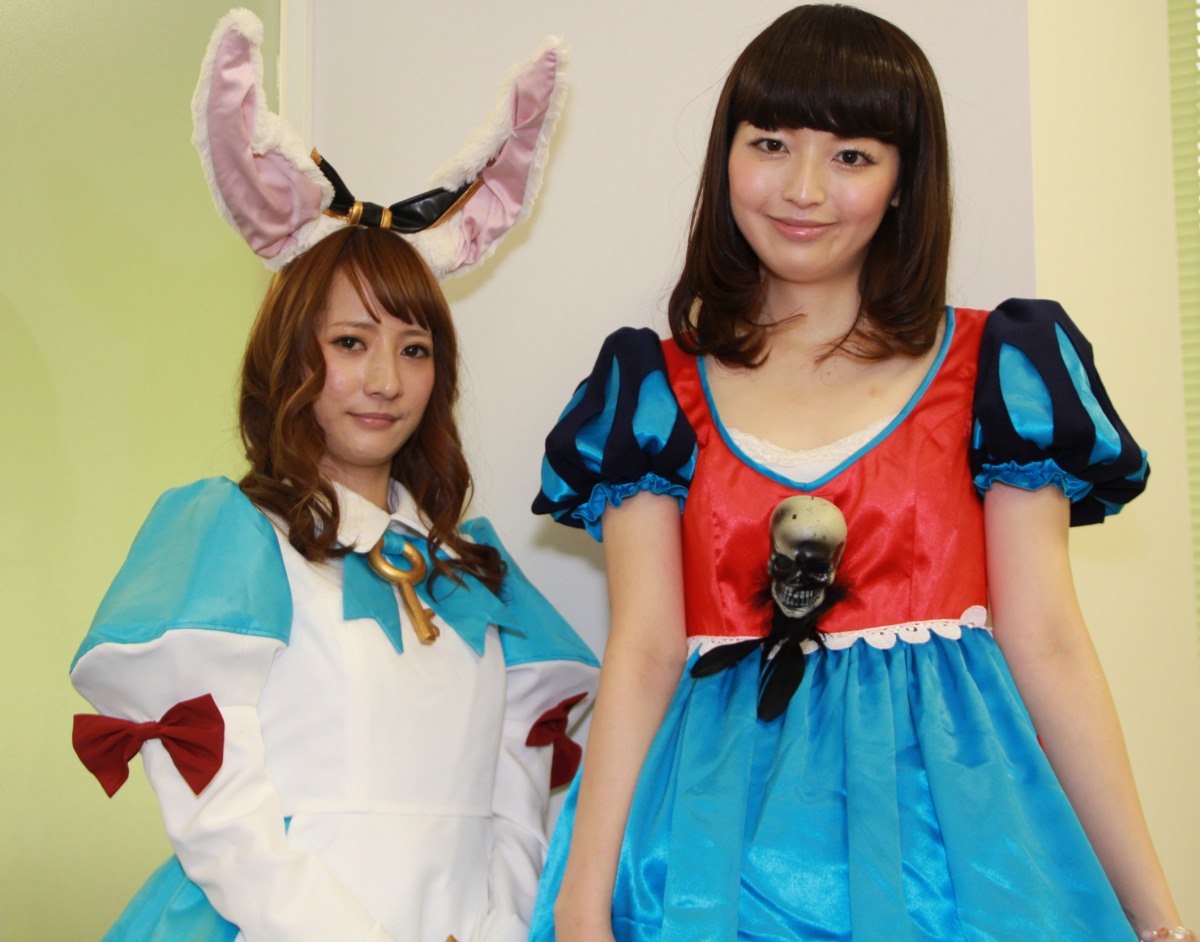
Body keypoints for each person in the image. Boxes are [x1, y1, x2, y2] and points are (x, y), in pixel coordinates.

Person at [527, 5, 1189, 940]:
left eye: (851, 155)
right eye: (770, 144)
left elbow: (1047, 641)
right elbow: (642, 653)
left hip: (953, 861)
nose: (803, 189)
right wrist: (581, 907)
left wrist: (1158, 917)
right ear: (725, 159)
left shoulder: (996, 369)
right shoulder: (651, 392)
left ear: (903, 180)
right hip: (707, 864)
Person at [69, 11, 596, 942]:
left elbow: (518, 807)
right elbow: (220, 811)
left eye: (414, 348)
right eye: (351, 343)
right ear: (292, 354)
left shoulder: (474, 569)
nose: (386, 381)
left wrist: (497, 927)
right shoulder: (236, 539)